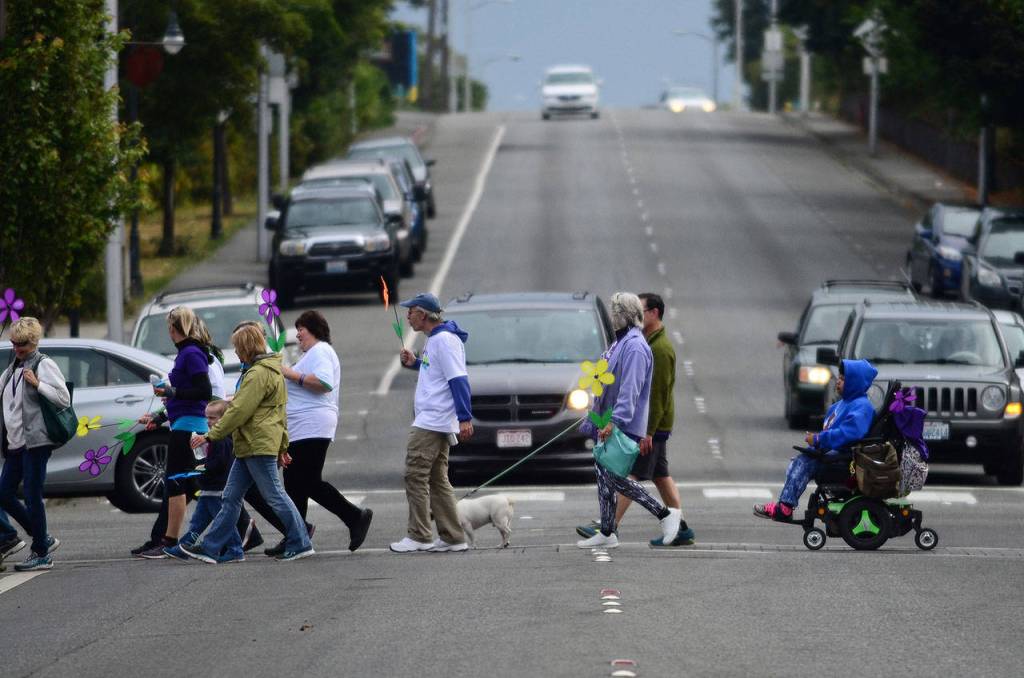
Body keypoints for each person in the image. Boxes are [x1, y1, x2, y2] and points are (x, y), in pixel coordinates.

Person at [182, 324, 313, 563]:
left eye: (237, 347)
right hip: (252, 444)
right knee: (231, 496)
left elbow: (239, 410)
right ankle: (212, 548)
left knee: (274, 495)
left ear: (246, 347)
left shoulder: (257, 374)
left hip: (257, 443)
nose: (236, 351)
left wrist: (212, 435)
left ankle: (301, 541)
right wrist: (283, 446)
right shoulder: (269, 370)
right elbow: (280, 412)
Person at [575, 292, 695, 546]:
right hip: (606, 419)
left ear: (623, 315)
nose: (611, 316)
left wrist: (614, 421)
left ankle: (665, 514)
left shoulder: (636, 347)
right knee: (603, 472)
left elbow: (630, 391)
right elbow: (606, 379)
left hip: (623, 424)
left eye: (614, 311)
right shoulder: (620, 342)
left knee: (617, 477)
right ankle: (607, 532)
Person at [264, 310, 372, 555]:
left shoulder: (321, 350)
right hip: (303, 427)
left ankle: (354, 516)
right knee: (294, 484)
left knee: (308, 482)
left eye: (300, 329)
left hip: (312, 426)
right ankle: (296, 535)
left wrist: (289, 372)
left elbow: (323, 383)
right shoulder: (311, 354)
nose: (298, 335)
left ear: (312, 328)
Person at [389, 293, 474, 554]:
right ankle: (452, 537)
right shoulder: (436, 340)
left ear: (423, 315)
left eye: (411, 311)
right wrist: (415, 363)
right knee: (437, 480)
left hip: (432, 421)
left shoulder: (443, 341)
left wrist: (465, 417)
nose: (407, 316)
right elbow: (435, 370)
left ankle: (420, 535)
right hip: (436, 420)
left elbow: (458, 379)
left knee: (415, 475)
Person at [131, 307, 213, 559]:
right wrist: (160, 416)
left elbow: (204, 391)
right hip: (183, 424)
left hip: (188, 428)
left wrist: (171, 392)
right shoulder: (187, 353)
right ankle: (172, 539)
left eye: (169, 327)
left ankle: (168, 541)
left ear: (173, 328)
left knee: (177, 483)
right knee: (193, 485)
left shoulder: (190, 353)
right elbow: (186, 394)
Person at [754, 358, 878, 520]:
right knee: (798, 461)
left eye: (843, 379)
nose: (838, 381)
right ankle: (785, 504)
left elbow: (850, 433)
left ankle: (785, 507)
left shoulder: (861, 407)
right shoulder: (841, 405)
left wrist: (819, 439)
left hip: (848, 459)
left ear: (855, 382)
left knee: (803, 462)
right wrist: (817, 440)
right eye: (838, 378)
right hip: (835, 454)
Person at [0, 317, 71, 571]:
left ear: (33, 342)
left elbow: (63, 399)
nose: (18, 348)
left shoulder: (44, 364)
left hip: (37, 441)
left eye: (23, 344)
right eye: (14, 343)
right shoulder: (11, 369)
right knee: (3, 493)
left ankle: (41, 552)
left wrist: (38, 384)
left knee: (32, 495)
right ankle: (43, 538)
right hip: (15, 443)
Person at [163, 400, 258, 559]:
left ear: (225, 419)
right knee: (197, 523)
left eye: (213, 418)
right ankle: (184, 547)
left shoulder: (222, 440)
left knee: (223, 522)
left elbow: (219, 464)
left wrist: (200, 469)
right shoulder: (213, 438)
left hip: (217, 489)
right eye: (207, 417)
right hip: (208, 489)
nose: (208, 421)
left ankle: (235, 550)